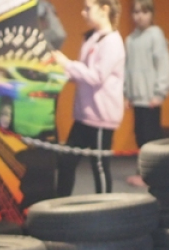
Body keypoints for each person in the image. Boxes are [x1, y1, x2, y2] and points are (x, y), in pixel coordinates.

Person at [50, 0, 125, 196]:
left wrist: (67, 64)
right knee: (67, 161)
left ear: (104, 10)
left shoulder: (112, 41)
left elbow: (96, 76)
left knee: (99, 166)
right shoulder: (91, 38)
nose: (83, 13)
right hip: (84, 116)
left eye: (88, 8)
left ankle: (106, 207)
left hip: (101, 117)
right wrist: (60, 72)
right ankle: (60, 204)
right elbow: (82, 73)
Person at [124, 0, 169, 187]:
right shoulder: (130, 39)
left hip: (151, 97)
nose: (139, 16)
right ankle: (144, 173)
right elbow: (126, 69)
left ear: (152, 14)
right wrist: (127, 94)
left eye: (144, 12)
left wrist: (160, 92)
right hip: (137, 98)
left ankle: (154, 175)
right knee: (140, 135)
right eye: (136, 12)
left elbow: (163, 64)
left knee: (151, 137)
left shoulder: (155, 35)